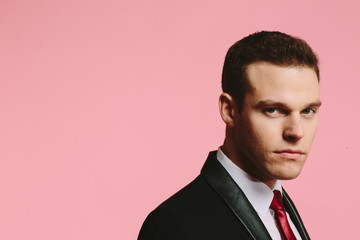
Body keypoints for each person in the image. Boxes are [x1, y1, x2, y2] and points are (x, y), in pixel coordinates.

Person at [138, 31, 321, 240]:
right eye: (273, 110)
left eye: (307, 111)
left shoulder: (282, 212)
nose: (296, 132)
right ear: (229, 110)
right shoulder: (174, 225)